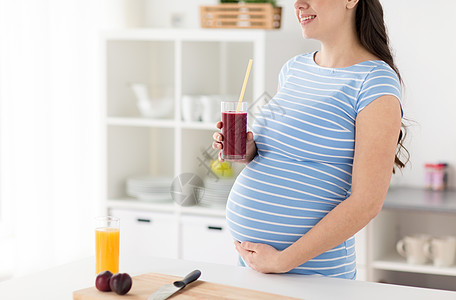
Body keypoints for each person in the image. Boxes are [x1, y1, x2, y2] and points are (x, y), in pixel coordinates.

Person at [212, 0, 408, 279]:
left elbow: (366, 203)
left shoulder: (374, 81)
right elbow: (282, 155)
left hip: (311, 274)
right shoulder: (294, 69)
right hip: (257, 266)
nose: (298, 4)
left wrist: (282, 261)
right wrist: (248, 150)